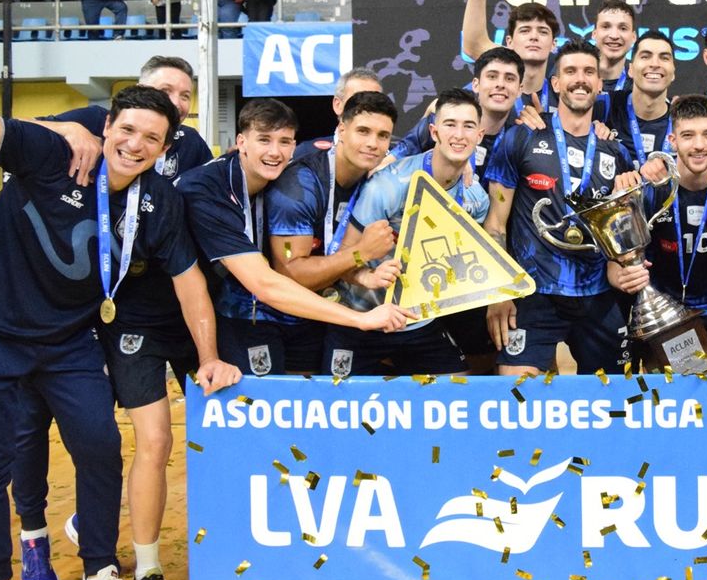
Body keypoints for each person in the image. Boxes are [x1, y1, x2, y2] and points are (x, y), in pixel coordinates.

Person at [0, 0, 232, 580]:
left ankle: (99, 573)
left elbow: (191, 286)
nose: (136, 144)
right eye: (127, 130)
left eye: (153, 137)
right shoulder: (51, 151)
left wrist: (206, 356)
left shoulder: (159, 201)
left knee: (98, 445)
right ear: (105, 125)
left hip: (66, 339)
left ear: (168, 145)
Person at [176, 99, 416, 377]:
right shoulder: (210, 190)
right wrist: (360, 312)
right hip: (173, 303)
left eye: (284, 141)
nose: (275, 152)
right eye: (264, 140)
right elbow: (272, 279)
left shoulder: (354, 173)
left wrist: (359, 275)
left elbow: (423, 135)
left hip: (257, 306)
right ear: (241, 142)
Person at [482, 40, 639, 375]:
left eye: (588, 72)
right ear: (555, 83)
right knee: (517, 395)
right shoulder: (520, 137)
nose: (579, 79)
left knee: (617, 399)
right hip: (534, 291)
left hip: (597, 291)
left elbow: (622, 228)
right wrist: (499, 292)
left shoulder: (616, 151)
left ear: (600, 84)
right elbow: (495, 224)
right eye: (570, 71)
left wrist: (623, 263)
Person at [609, 95, 707, 369]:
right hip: (667, 317)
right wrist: (623, 277)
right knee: (673, 401)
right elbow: (617, 265)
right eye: (688, 135)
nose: (698, 145)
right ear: (672, 141)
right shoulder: (651, 190)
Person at [342, 88, 491, 374]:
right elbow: (345, 256)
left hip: (420, 322)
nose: (459, 135)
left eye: (468, 126)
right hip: (362, 316)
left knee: (459, 391)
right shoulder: (389, 185)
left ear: (479, 136)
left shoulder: (477, 199)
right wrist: (368, 276)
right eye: (450, 124)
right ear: (434, 132)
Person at [265, 91, 403, 375]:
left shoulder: (374, 178)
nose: (372, 144)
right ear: (341, 129)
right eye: (363, 131)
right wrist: (361, 254)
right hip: (273, 319)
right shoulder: (300, 185)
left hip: (325, 316)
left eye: (382, 136)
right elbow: (290, 274)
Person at [39, 55, 214, 186]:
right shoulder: (94, 119)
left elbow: (216, 183)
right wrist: (68, 128)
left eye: (185, 96)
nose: (176, 103)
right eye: (166, 90)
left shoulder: (190, 141)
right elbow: (17, 126)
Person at [391, 47, 524, 178]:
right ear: (476, 85)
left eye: (510, 78)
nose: (500, 84)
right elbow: (390, 163)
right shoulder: (439, 122)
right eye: (492, 76)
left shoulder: (520, 140)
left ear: (519, 89)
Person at [462, 0, 560, 106]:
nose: (534, 37)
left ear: (554, 44)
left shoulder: (565, 86)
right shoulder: (489, 92)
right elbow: (474, 45)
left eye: (543, 31)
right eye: (525, 30)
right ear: (509, 41)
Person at [603, 30, 675, 164]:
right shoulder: (605, 106)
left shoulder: (683, 120)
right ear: (630, 69)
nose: (655, 64)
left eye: (664, 58)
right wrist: (591, 126)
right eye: (645, 56)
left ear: (673, 73)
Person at [292, 67, 387, 160]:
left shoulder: (395, 156)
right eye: (357, 100)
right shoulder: (307, 153)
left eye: (375, 101)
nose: (367, 108)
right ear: (338, 105)